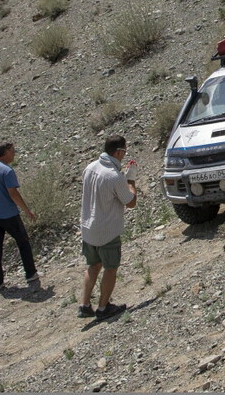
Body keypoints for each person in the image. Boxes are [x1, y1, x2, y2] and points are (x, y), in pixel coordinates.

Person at [78, 135, 138, 320]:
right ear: (119, 152)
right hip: (107, 231)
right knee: (110, 268)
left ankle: (84, 305)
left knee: (93, 265)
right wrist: (131, 180)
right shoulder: (114, 175)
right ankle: (103, 308)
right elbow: (131, 202)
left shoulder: (89, 168)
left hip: (88, 228)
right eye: (123, 152)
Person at [0, 141, 39, 292]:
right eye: (12, 151)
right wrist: (26, 210)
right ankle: (31, 273)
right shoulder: (7, 171)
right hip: (7, 214)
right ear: (5, 152)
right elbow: (13, 193)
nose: (14, 153)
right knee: (23, 241)